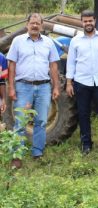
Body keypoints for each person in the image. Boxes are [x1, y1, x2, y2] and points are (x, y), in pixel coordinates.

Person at [7, 13, 60, 169]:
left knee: (41, 121)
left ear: (42, 26)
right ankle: (17, 156)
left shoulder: (49, 43)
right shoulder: (18, 41)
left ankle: (38, 152)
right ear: (27, 24)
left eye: (38, 23)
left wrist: (56, 86)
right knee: (20, 122)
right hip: (23, 86)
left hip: (44, 87)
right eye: (32, 23)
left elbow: (53, 66)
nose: (35, 25)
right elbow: (12, 65)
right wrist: (11, 87)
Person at [66, 10, 98, 155]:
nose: (88, 23)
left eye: (90, 21)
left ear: (95, 21)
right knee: (83, 114)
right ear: (81, 22)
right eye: (85, 21)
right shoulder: (75, 40)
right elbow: (70, 63)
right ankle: (86, 144)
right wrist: (69, 83)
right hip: (81, 82)